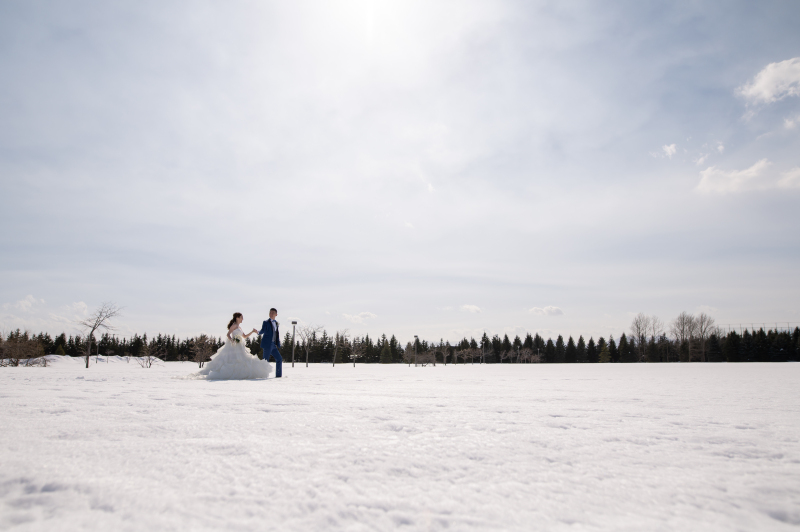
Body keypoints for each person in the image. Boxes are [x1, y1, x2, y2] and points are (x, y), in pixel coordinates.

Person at [183, 312, 272, 380]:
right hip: (233, 346)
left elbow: (244, 336)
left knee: (243, 359)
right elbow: (228, 334)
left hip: (240, 346)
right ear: (237, 318)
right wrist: (232, 340)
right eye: (241, 318)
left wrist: (252, 332)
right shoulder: (234, 325)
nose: (242, 319)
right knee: (230, 361)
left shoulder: (240, 327)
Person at [259, 308, 283, 378]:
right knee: (265, 361)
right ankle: (263, 375)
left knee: (279, 358)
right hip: (267, 344)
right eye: (270, 312)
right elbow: (262, 330)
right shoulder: (265, 322)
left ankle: (278, 376)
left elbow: (276, 334)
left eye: (273, 313)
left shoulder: (276, 323)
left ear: (276, 314)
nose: (271, 314)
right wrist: (257, 332)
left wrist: (278, 343)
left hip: (273, 345)